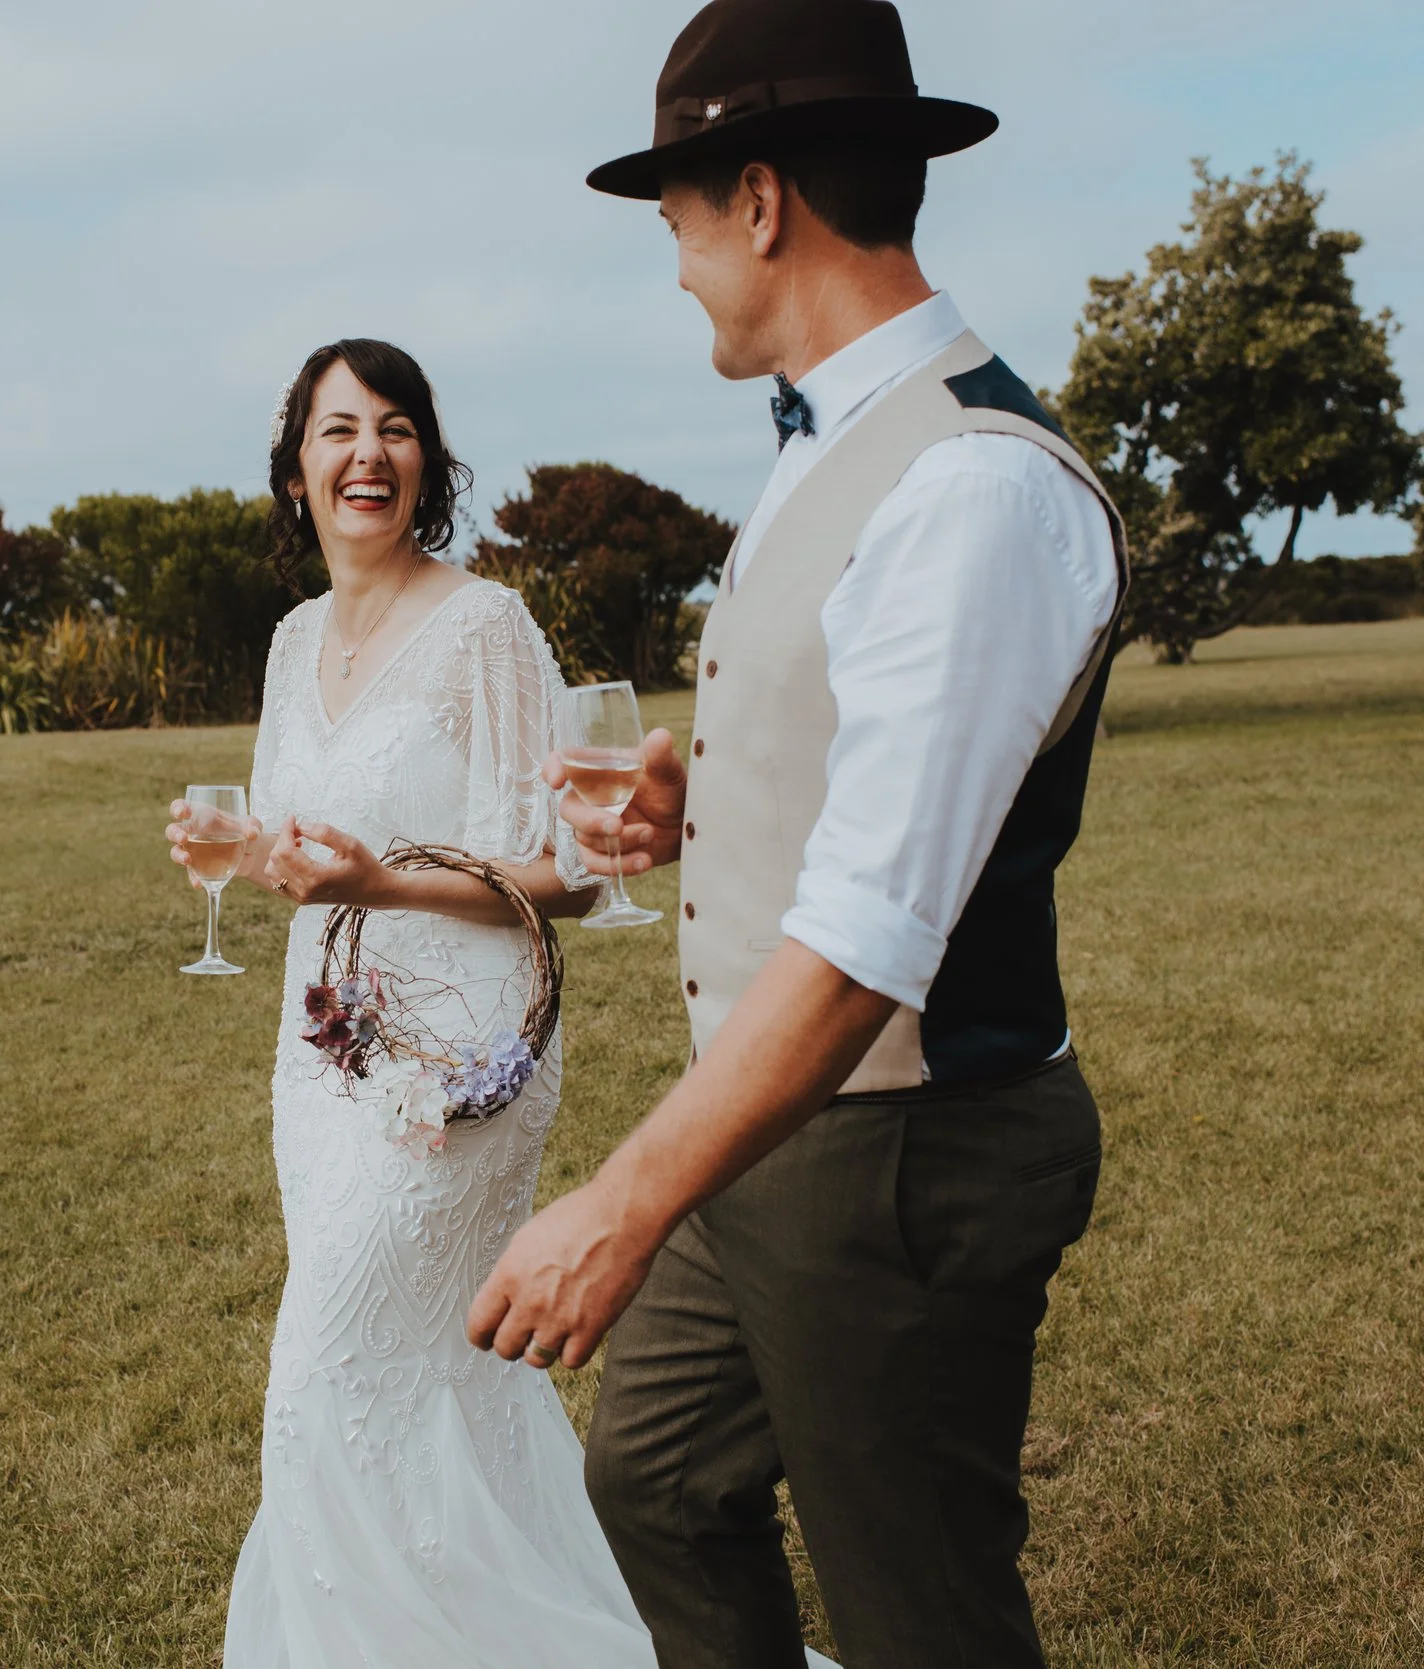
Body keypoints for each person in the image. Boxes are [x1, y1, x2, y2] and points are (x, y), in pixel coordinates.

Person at [467, 4, 1129, 1666]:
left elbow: (870, 945)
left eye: (679, 222)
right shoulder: (831, 445)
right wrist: (709, 808)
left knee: (921, 1615)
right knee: (660, 1483)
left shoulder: (973, 491)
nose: (677, 263)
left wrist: (615, 1208)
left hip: (903, 1151)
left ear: (758, 202)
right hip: (772, 1127)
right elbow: (884, 785)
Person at [165, 340, 714, 1666]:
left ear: (429, 462)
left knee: (322, 1372)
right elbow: (309, 849)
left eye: (397, 428)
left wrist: (383, 882)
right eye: (338, 430)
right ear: (296, 469)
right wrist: (242, 854)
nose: (369, 454)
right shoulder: (295, 639)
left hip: (460, 1063)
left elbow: (568, 876)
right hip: (323, 1052)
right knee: (429, 1378)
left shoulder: (484, 625)